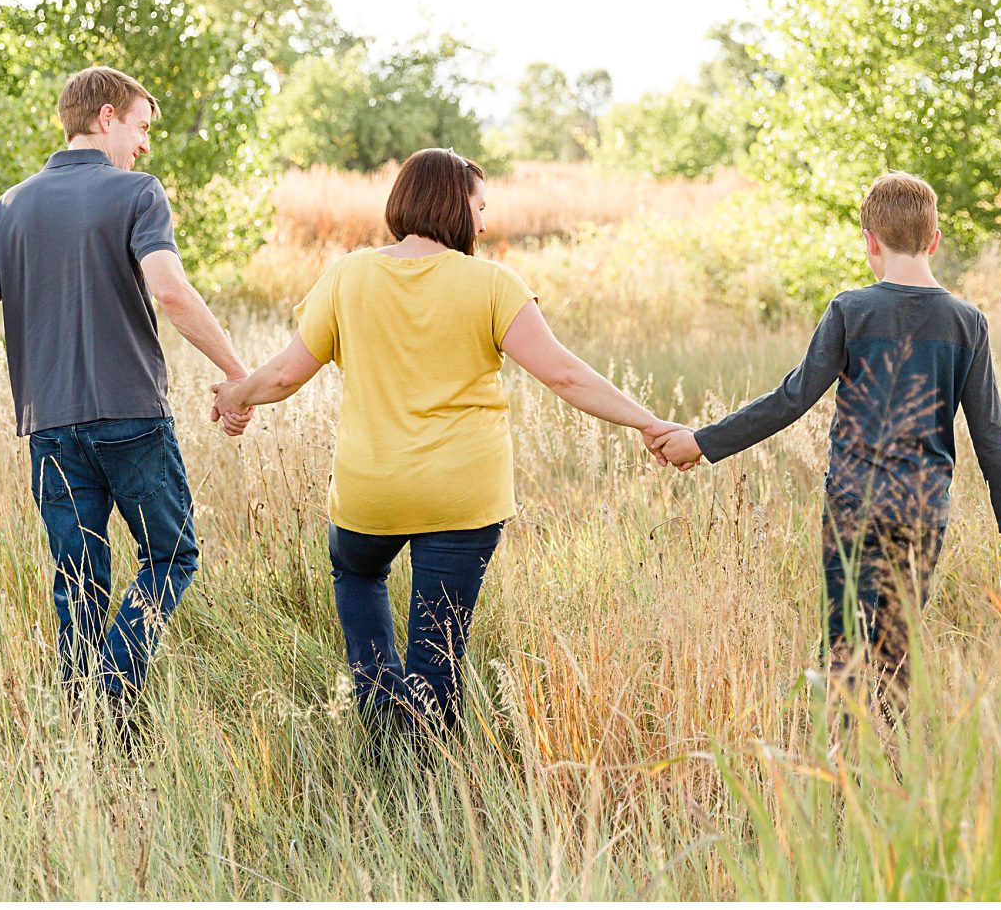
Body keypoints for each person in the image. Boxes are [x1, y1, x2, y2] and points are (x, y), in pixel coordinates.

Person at [212, 148, 681, 739]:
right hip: (461, 497)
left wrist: (236, 396)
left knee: (358, 577)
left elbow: (282, 375)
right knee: (437, 655)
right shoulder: (491, 284)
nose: (483, 224)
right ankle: (431, 776)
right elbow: (564, 374)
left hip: (370, 492)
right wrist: (647, 422)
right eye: (478, 207)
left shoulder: (348, 275)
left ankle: (381, 728)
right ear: (453, 205)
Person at [651, 171, 1001, 728]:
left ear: (869, 241)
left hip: (854, 506)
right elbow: (991, 431)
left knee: (845, 646)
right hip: (923, 509)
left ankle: (840, 768)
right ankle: (886, 768)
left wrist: (702, 443)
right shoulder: (967, 322)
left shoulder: (851, 311)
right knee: (897, 648)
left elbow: (791, 399)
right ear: (934, 240)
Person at [0, 66, 252, 737]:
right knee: (171, 556)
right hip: (132, 416)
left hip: (48, 426)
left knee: (77, 579)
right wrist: (237, 374)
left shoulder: (10, 206)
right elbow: (170, 292)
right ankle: (114, 686)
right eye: (142, 128)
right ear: (106, 117)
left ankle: (83, 722)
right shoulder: (138, 194)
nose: (145, 146)